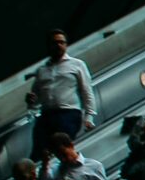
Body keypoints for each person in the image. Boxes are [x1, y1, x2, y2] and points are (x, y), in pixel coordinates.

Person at [24, 30, 97, 160]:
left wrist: (89, 116)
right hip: (47, 115)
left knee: (61, 148)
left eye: (61, 42)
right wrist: (31, 101)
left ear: (66, 45)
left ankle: (67, 173)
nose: (58, 45)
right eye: (55, 43)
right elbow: (36, 98)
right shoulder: (42, 71)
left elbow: (87, 90)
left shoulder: (77, 65)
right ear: (49, 46)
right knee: (39, 151)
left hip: (68, 113)